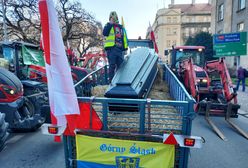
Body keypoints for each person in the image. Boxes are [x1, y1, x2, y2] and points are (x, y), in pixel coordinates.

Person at [103, 11, 128, 82]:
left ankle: (120, 81)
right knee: (112, 65)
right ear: (110, 18)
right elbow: (105, 33)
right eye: (111, 17)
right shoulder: (108, 25)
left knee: (121, 66)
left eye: (114, 17)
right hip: (111, 49)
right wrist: (110, 24)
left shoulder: (120, 27)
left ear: (117, 18)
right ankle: (111, 82)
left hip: (119, 49)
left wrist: (125, 48)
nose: (113, 19)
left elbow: (124, 38)